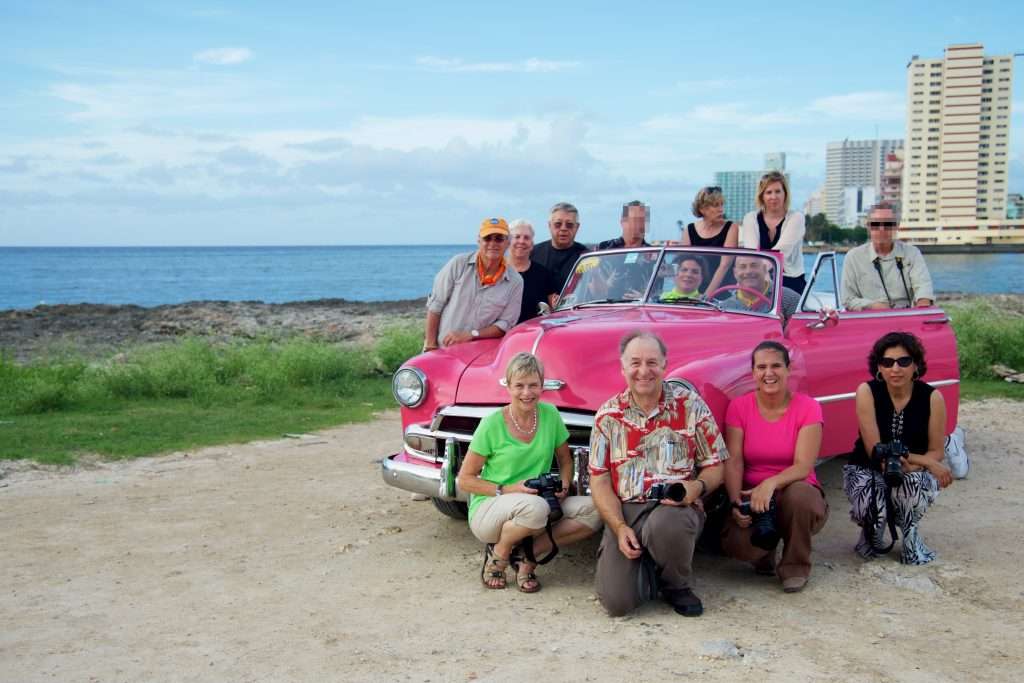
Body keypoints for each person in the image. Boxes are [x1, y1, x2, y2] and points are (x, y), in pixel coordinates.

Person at [589, 332, 727, 617]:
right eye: (635, 362)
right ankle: (649, 566)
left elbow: (715, 464)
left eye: (652, 362)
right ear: (623, 367)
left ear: (665, 365)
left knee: (666, 525)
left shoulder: (691, 405)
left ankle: (676, 584)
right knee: (617, 603)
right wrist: (618, 526)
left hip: (675, 507)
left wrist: (697, 487)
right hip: (627, 509)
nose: (644, 371)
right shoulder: (607, 416)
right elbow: (600, 479)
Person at [457, 352, 602, 592]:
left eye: (533, 385)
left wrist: (564, 487)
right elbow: (465, 480)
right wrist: (509, 489)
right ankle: (499, 552)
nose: (527, 392)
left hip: (538, 503)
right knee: (536, 509)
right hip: (491, 506)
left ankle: (527, 558)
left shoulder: (550, 415)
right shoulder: (492, 424)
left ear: (542, 386)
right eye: (520, 386)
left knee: (595, 511)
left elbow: (565, 461)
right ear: (508, 386)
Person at [720, 341, 828, 593]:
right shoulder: (739, 407)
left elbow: (803, 466)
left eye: (776, 365)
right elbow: (734, 460)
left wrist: (770, 484)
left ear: (788, 370)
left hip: (795, 488)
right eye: (762, 367)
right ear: (753, 373)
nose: (769, 373)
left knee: (800, 497)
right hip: (753, 496)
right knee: (739, 545)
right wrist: (736, 501)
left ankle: (795, 566)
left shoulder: (808, 407)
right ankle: (763, 553)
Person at [842, 332, 953, 565]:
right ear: (879, 367)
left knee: (912, 486)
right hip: (867, 465)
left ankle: (911, 537)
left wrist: (913, 464)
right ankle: (871, 533)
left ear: (915, 366)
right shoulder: (867, 391)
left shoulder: (933, 397)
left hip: (913, 469)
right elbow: (875, 449)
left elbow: (936, 449)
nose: (895, 368)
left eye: (904, 361)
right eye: (887, 362)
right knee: (872, 501)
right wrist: (928, 462)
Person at [423, 218, 523, 352]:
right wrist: (430, 346)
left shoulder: (515, 281)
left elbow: (505, 325)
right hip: (442, 351)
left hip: (479, 356)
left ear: (508, 243)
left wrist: (471, 335)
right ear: (479, 241)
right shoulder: (458, 264)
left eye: (499, 238)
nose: (492, 243)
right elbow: (435, 306)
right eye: (487, 238)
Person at [840, 204, 935, 310]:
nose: (881, 229)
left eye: (887, 224)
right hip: (869, 319)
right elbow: (848, 299)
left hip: (905, 317)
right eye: (876, 224)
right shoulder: (853, 257)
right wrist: (873, 306)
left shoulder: (913, 253)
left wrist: (922, 305)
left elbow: (923, 288)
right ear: (868, 226)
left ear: (897, 226)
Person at [740, 171, 806, 294]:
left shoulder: (796, 217)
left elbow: (781, 251)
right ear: (762, 196)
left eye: (778, 191)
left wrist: (763, 273)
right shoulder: (750, 218)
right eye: (768, 192)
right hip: (757, 281)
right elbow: (752, 253)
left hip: (790, 281)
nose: (773, 197)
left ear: (785, 194)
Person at [681, 186, 739, 292]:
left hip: (723, 291)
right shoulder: (689, 230)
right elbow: (684, 264)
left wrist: (706, 297)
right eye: (715, 205)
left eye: (722, 204)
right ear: (702, 209)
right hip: (694, 292)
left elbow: (724, 265)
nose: (721, 209)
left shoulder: (731, 227)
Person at [507, 219, 559, 323]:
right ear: (507, 241)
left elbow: (554, 310)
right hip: (501, 334)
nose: (521, 241)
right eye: (517, 237)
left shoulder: (543, 274)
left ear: (531, 244)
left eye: (526, 238)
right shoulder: (497, 271)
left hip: (534, 334)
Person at [717, 255, 801, 319]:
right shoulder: (724, 307)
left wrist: (784, 326)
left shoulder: (790, 298)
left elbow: (800, 334)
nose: (748, 271)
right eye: (742, 267)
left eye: (754, 265)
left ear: (764, 269)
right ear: (735, 273)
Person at [531, 202, 590, 291]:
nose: (563, 228)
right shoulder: (533, 253)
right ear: (550, 225)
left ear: (577, 227)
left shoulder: (586, 257)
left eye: (569, 225)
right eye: (558, 224)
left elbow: (599, 291)